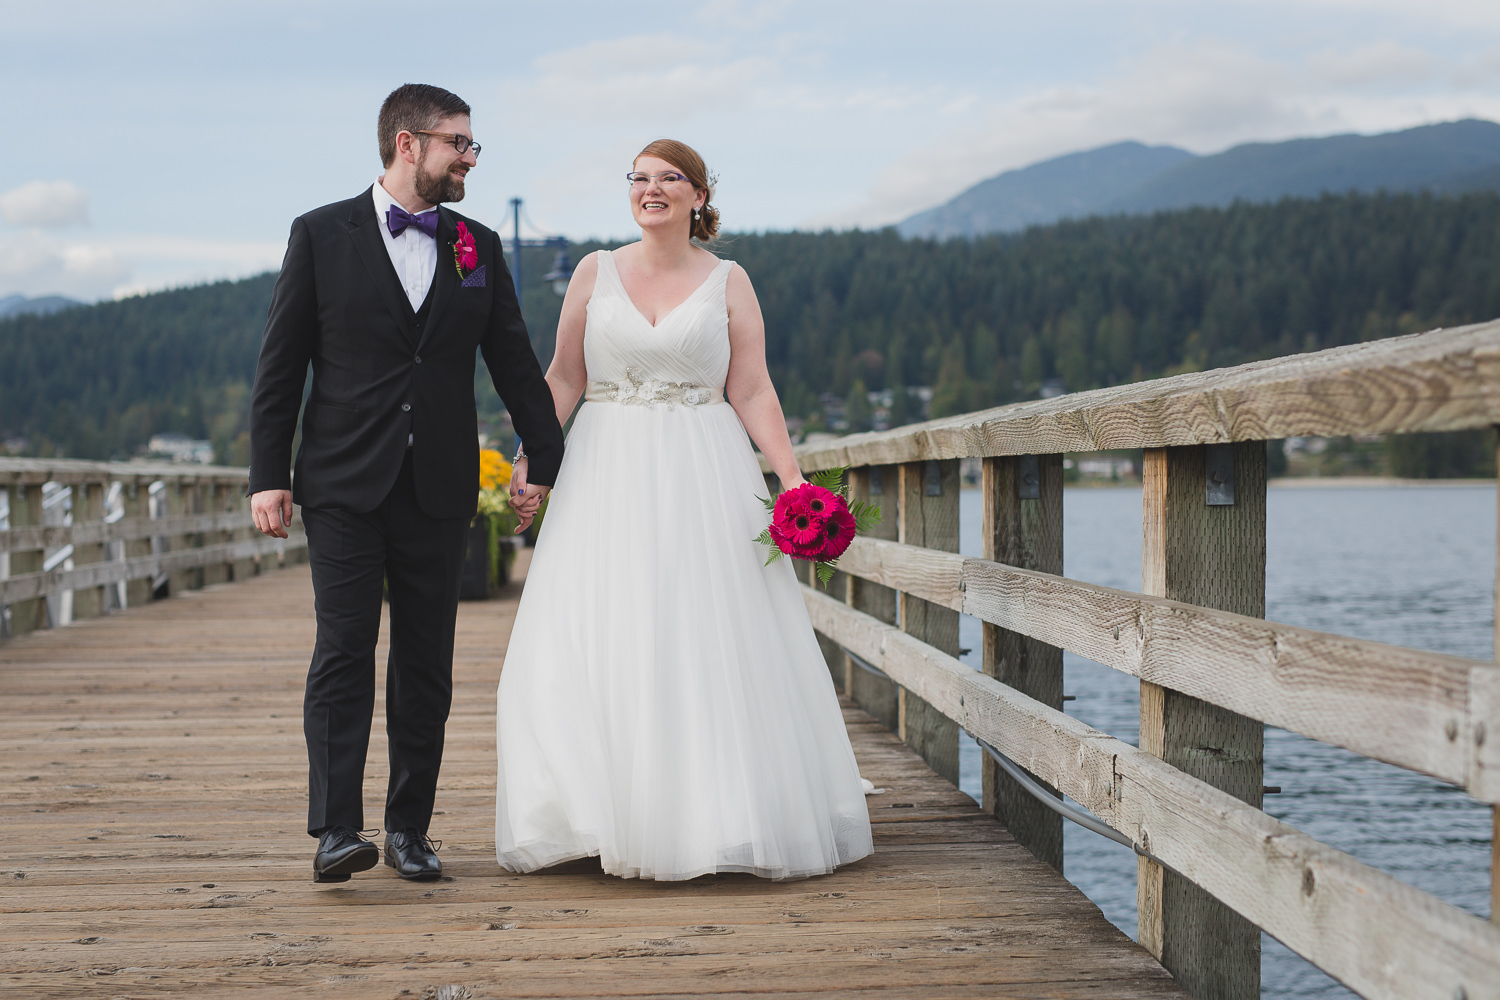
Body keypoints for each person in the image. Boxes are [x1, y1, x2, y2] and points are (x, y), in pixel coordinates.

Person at [495, 139, 873, 880]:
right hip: (605, 466)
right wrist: (533, 458)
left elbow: (753, 389)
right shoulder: (592, 271)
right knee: (599, 624)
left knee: (704, 629)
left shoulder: (729, 280)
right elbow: (564, 377)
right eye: (639, 178)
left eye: (670, 178)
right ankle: (594, 810)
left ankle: (716, 813)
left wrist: (792, 480)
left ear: (699, 197)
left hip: (704, 466)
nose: (651, 189)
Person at [248, 84, 564, 884]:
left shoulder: (478, 246)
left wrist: (546, 460)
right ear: (407, 144)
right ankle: (336, 830)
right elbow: (280, 368)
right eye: (459, 142)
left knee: (427, 662)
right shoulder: (320, 235)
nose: (470, 157)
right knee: (344, 651)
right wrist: (267, 477)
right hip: (342, 484)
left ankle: (410, 830)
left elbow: (516, 364)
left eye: (471, 143)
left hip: (441, 487)